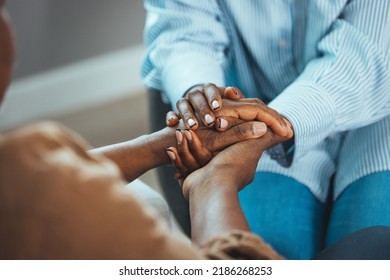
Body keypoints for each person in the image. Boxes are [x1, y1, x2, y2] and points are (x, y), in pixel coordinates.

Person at [0, 0, 287, 259]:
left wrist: (161, 144)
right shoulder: (30, 191)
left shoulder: (29, 166)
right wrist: (214, 181)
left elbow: (43, 175)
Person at [142, 0, 390, 259]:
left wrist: (263, 128)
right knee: (264, 249)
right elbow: (183, 31)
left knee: (371, 249)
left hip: (379, 116)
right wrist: (204, 101)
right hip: (246, 114)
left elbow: (368, 50)